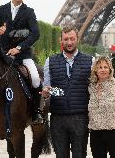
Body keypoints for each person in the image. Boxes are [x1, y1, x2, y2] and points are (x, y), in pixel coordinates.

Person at [0, 0, 43, 124]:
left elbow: (35, 33)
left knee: (35, 78)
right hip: (2, 56)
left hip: (23, 55)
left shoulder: (29, 12)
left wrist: (19, 48)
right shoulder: (0, 10)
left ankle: (36, 112)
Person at [41, 25, 93, 158]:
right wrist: (46, 93)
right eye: (66, 39)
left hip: (80, 118)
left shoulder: (90, 61)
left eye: (72, 39)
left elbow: (93, 90)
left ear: (77, 39)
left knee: (80, 155)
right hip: (58, 118)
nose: (69, 42)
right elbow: (50, 88)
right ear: (61, 41)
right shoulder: (50, 61)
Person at [88, 56, 115, 158]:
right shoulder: (91, 88)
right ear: (95, 70)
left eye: (105, 67)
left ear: (110, 69)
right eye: (100, 67)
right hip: (96, 135)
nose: (103, 70)